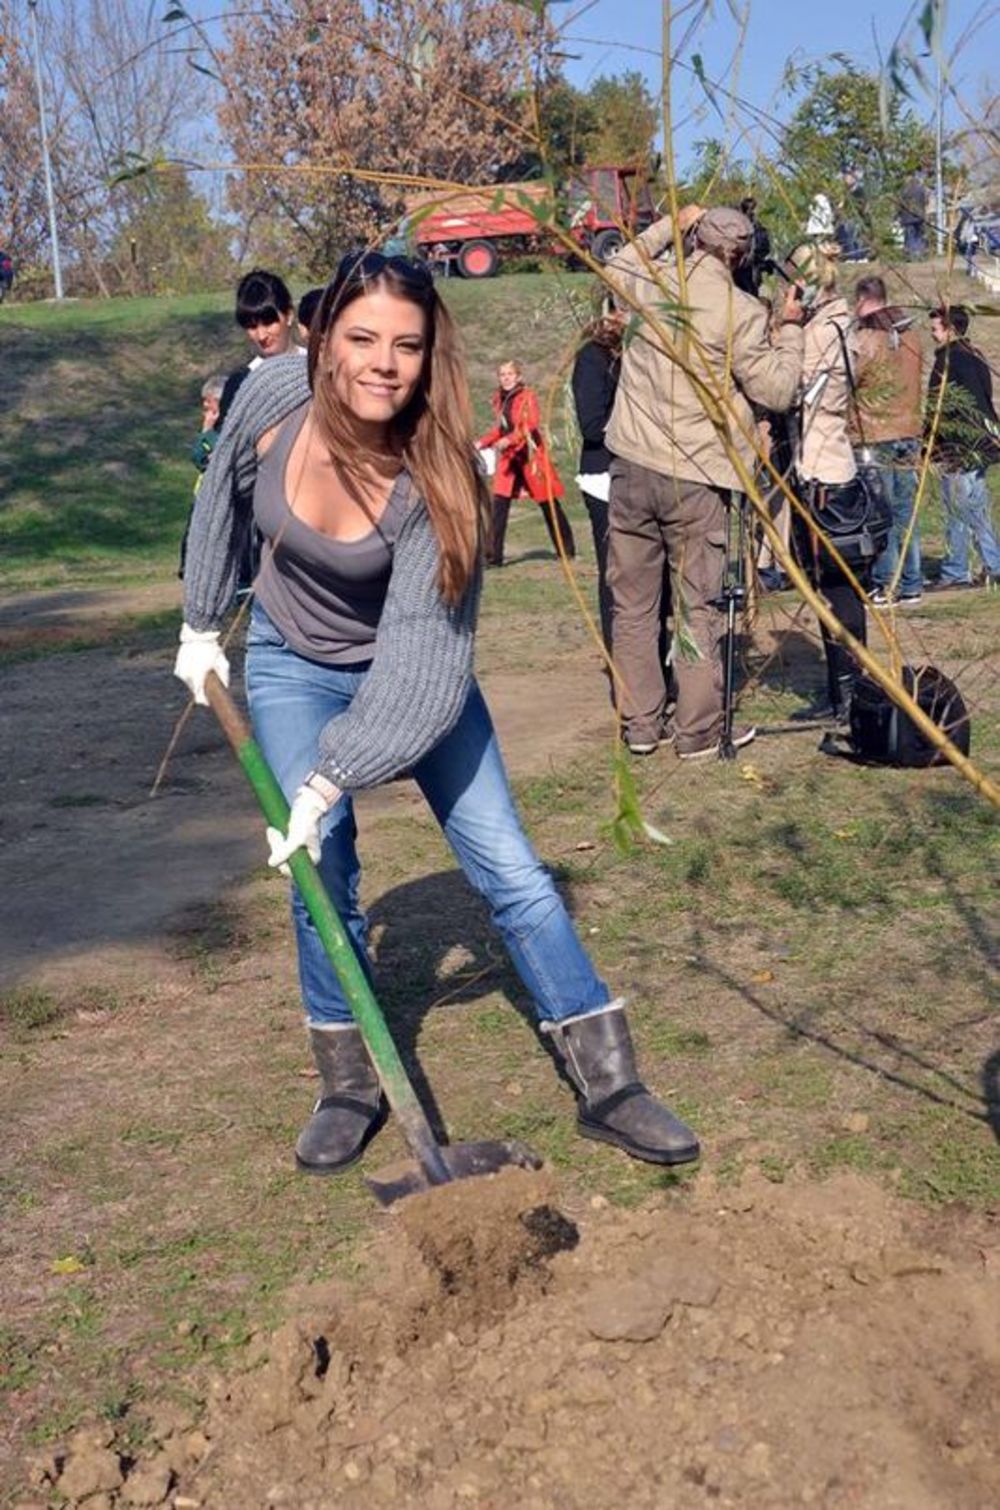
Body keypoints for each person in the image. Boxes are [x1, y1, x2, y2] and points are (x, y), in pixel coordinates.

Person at [174, 250, 698, 1175]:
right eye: (363, 338)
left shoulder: (438, 471)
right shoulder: (270, 404)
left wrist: (331, 775)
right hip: (295, 665)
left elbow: (419, 658)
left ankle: (610, 1081)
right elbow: (221, 496)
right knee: (320, 877)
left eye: (406, 346)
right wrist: (199, 620)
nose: (383, 362)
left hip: (417, 677)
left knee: (509, 867)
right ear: (322, 338)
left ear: (428, 356)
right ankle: (350, 1080)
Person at [603, 205, 804, 758]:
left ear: (695, 238)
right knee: (697, 607)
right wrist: (789, 331)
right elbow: (779, 390)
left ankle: (641, 724)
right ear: (740, 255)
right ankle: (695, 731)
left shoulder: (651, 283)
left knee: (635, 605)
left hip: (631, 466)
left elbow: (615, 260)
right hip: (695, 475)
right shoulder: (740, 311)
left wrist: (670, 219)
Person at [786, 242, 870, 727]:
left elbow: (788, 387)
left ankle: (848, 693)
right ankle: (845, 689)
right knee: (832, 589)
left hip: (824, 473)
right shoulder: (841, 323)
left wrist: (786, 330)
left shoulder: (824, 330)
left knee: (837, 590)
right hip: (827, 466)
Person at [851, 275, 924, 607]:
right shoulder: (911, 336)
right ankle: (912, 582)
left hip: (876, 432)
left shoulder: (867, 339)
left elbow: (851, 379)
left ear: (865, 300)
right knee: (907, 510)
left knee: (881, 512)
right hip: (909, 429)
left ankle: (884, 583)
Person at [925, 304, 1000, 590]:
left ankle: (956, 570)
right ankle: (993, 564)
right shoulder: (975, 355)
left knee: (957, 511)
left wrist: (931, 445)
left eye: (935, 329)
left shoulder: (948, 361)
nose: (932, 335)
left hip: (960, 446)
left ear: (950, 329)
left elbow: (940, 407)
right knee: (977, 509)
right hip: (980, 442)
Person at [476, 361, 576, 568]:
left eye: (510, 373)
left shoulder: (527, 396)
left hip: (530, 457)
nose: (506, 378)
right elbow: (500, 430)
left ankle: (566, 549)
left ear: (518, 376)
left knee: (548, 502)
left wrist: (509, 440)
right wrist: (482, 442)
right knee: (499, 504)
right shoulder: (499, 398)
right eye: (502, 374)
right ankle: (493, 557)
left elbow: (529, 425)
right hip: (509, 459)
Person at [571, 303, 626, 652]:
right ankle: (621, 660)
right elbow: (591, 425)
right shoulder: (593, 358)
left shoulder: (631, 354)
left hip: (636, 473)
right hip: (604, 477)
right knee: (615, 573)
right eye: (621, 310)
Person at [217, 269, 300, 430]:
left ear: (289, 315)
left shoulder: (318, 370)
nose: (261, 335)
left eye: (269, 322)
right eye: (252, 326)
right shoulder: (240, 384)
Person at [733, 195, 771, 297]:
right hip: (740, 271)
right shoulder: (738, 225)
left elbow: (764, 248)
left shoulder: (756, 226)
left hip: (751, 270)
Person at [898, 173, 929, 260]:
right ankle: (919, 254)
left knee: (910, 236)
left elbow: (901, 204)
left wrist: (899, 215)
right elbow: (926, 201)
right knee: (919, 235)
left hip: (908, 217)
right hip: (919, 216)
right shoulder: (921, 189)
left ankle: (912, 254)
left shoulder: (904, 191)